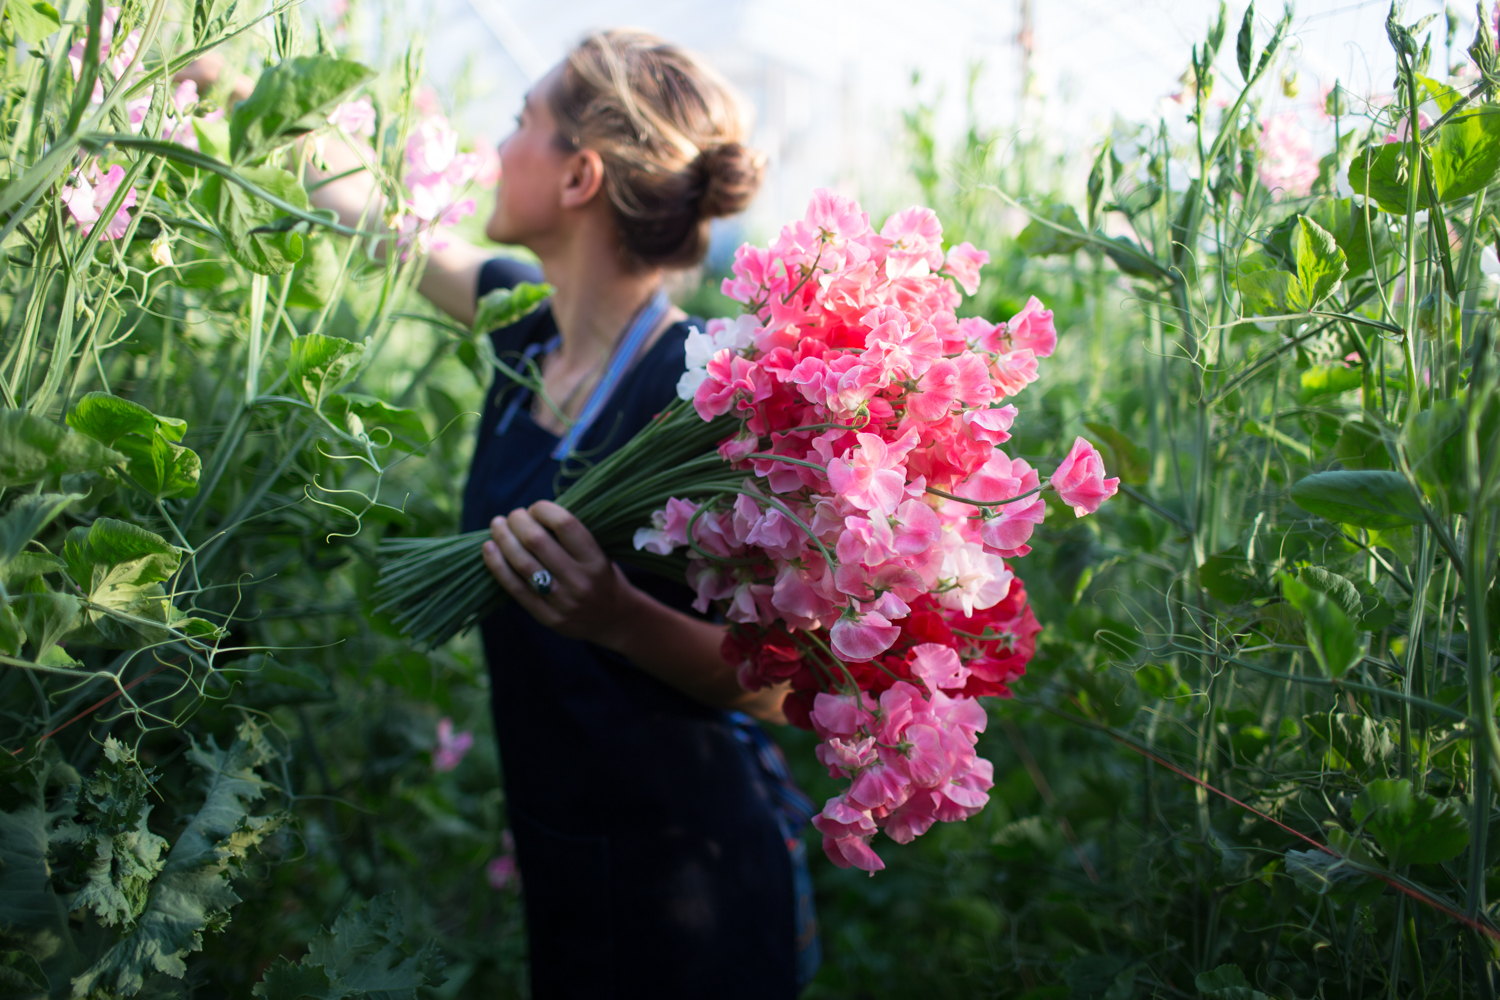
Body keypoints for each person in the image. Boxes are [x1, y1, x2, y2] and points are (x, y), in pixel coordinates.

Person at [306, 29, 818, 999]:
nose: (497, 150)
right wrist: (242, 95)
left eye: (520, 125)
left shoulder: (703, 395)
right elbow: (394, 230)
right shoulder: (528, 332)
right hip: (568, 848)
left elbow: (791, 683)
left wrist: (619, 616)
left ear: (581, 175)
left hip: (691, 884)